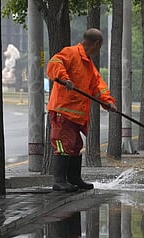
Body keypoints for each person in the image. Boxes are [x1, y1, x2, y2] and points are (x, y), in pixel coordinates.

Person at [46, 28, 117, 192]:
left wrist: (107, 102)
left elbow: (98, 86)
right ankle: (59, 180)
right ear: (97, 43)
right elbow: (54, 63)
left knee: (76, 145)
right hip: (63, 110)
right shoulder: (70, 53)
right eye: (100, 46)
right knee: (63, 144)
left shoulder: (88, 63)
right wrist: (65, 79)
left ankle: (74, 178)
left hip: (76, 114)